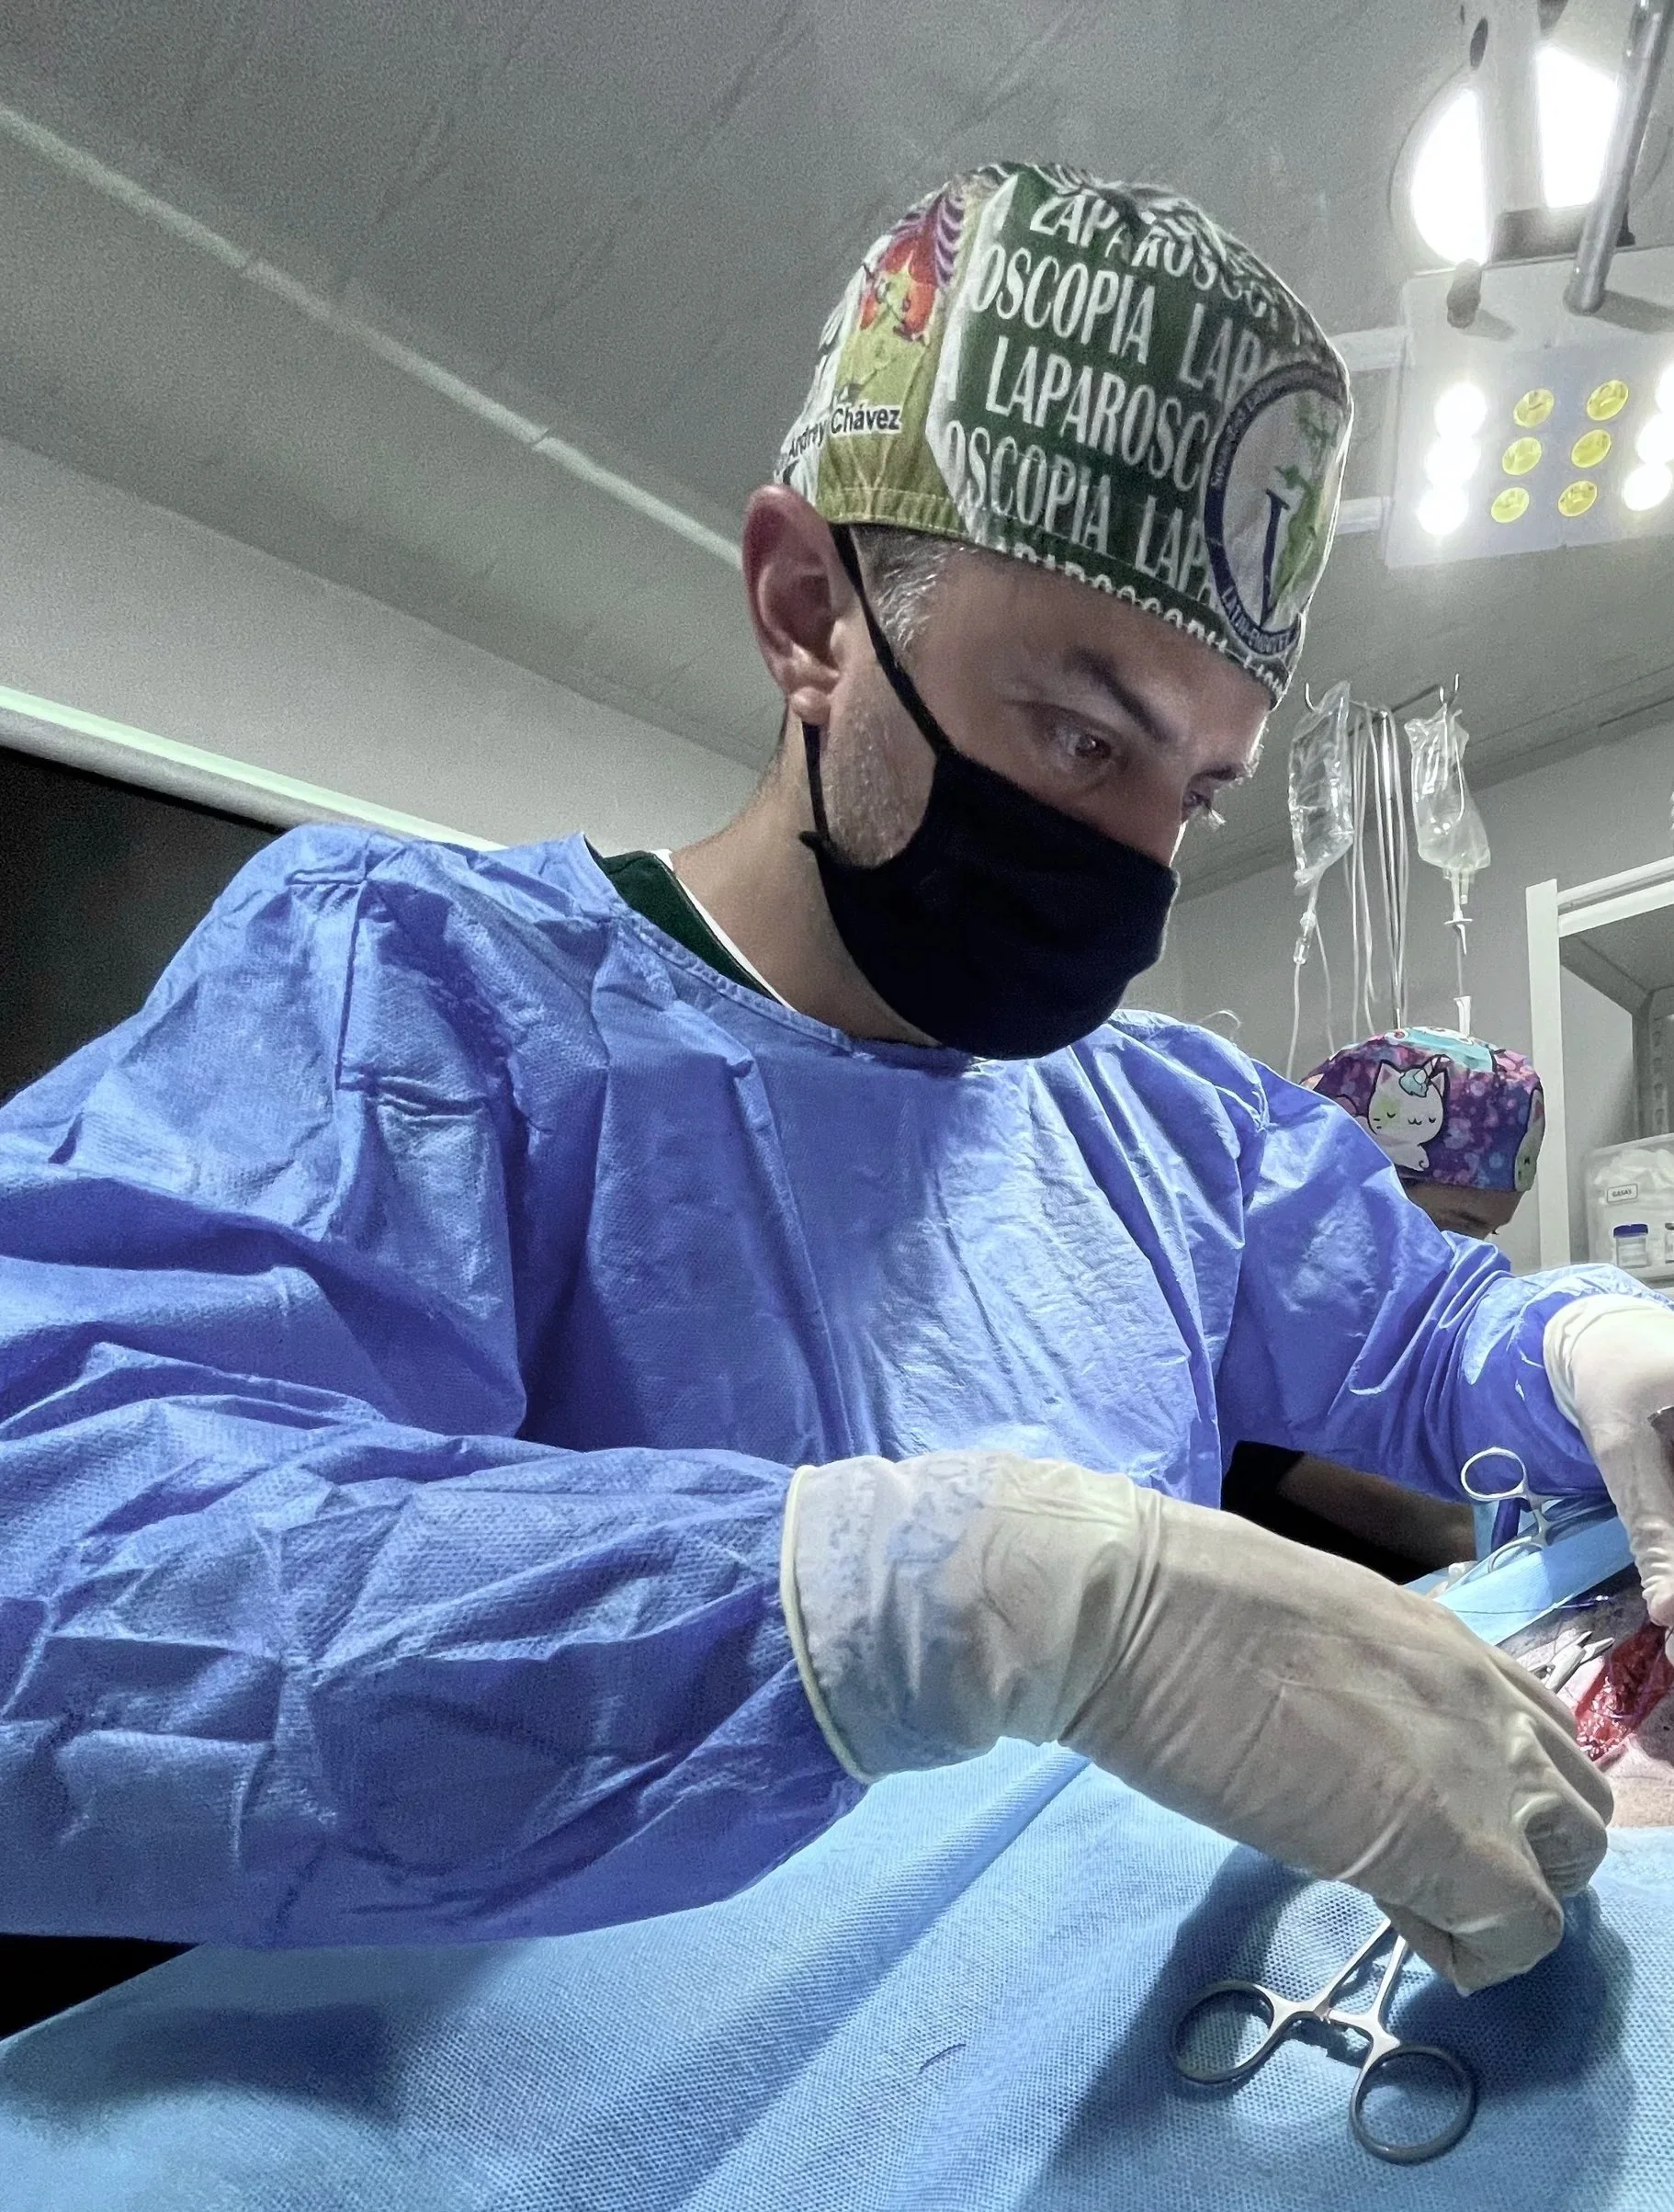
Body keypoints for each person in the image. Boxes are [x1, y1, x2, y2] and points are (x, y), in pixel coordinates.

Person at [2, 162, 1673, 2002]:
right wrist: (923, 1602)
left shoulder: (1162, 1126)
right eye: (1082, 734)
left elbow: (1422, 1332)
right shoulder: (411, 1001)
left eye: (1194, 793)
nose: (1135, 857)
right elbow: (75, 1573)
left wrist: (1591, 1353)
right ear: (809, 611)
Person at [1223, 1028, 1545, 1579]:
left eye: (1486, 1235)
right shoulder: (1260, 1339)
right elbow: (1443, 1529)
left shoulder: (1408, 1331)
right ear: (1355, 1194)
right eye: (1453, 1226)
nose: (1465, 1259)